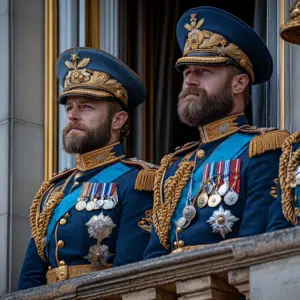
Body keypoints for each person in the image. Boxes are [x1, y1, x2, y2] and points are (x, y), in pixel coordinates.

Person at [144, 6, 290, 259]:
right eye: (187, 72)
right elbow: (154, 255)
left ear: (239, 83)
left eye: (203, 71)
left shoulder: (263, 150)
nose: (190, 81)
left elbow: (257, 247)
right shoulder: (174, 167)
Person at [18, 47, 156, 290]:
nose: (73, 115)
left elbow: (129, 274)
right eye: (69, 107)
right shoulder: (53, 192)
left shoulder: (136, 181)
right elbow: (30, 279)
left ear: (118, 120)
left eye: (86, 107)